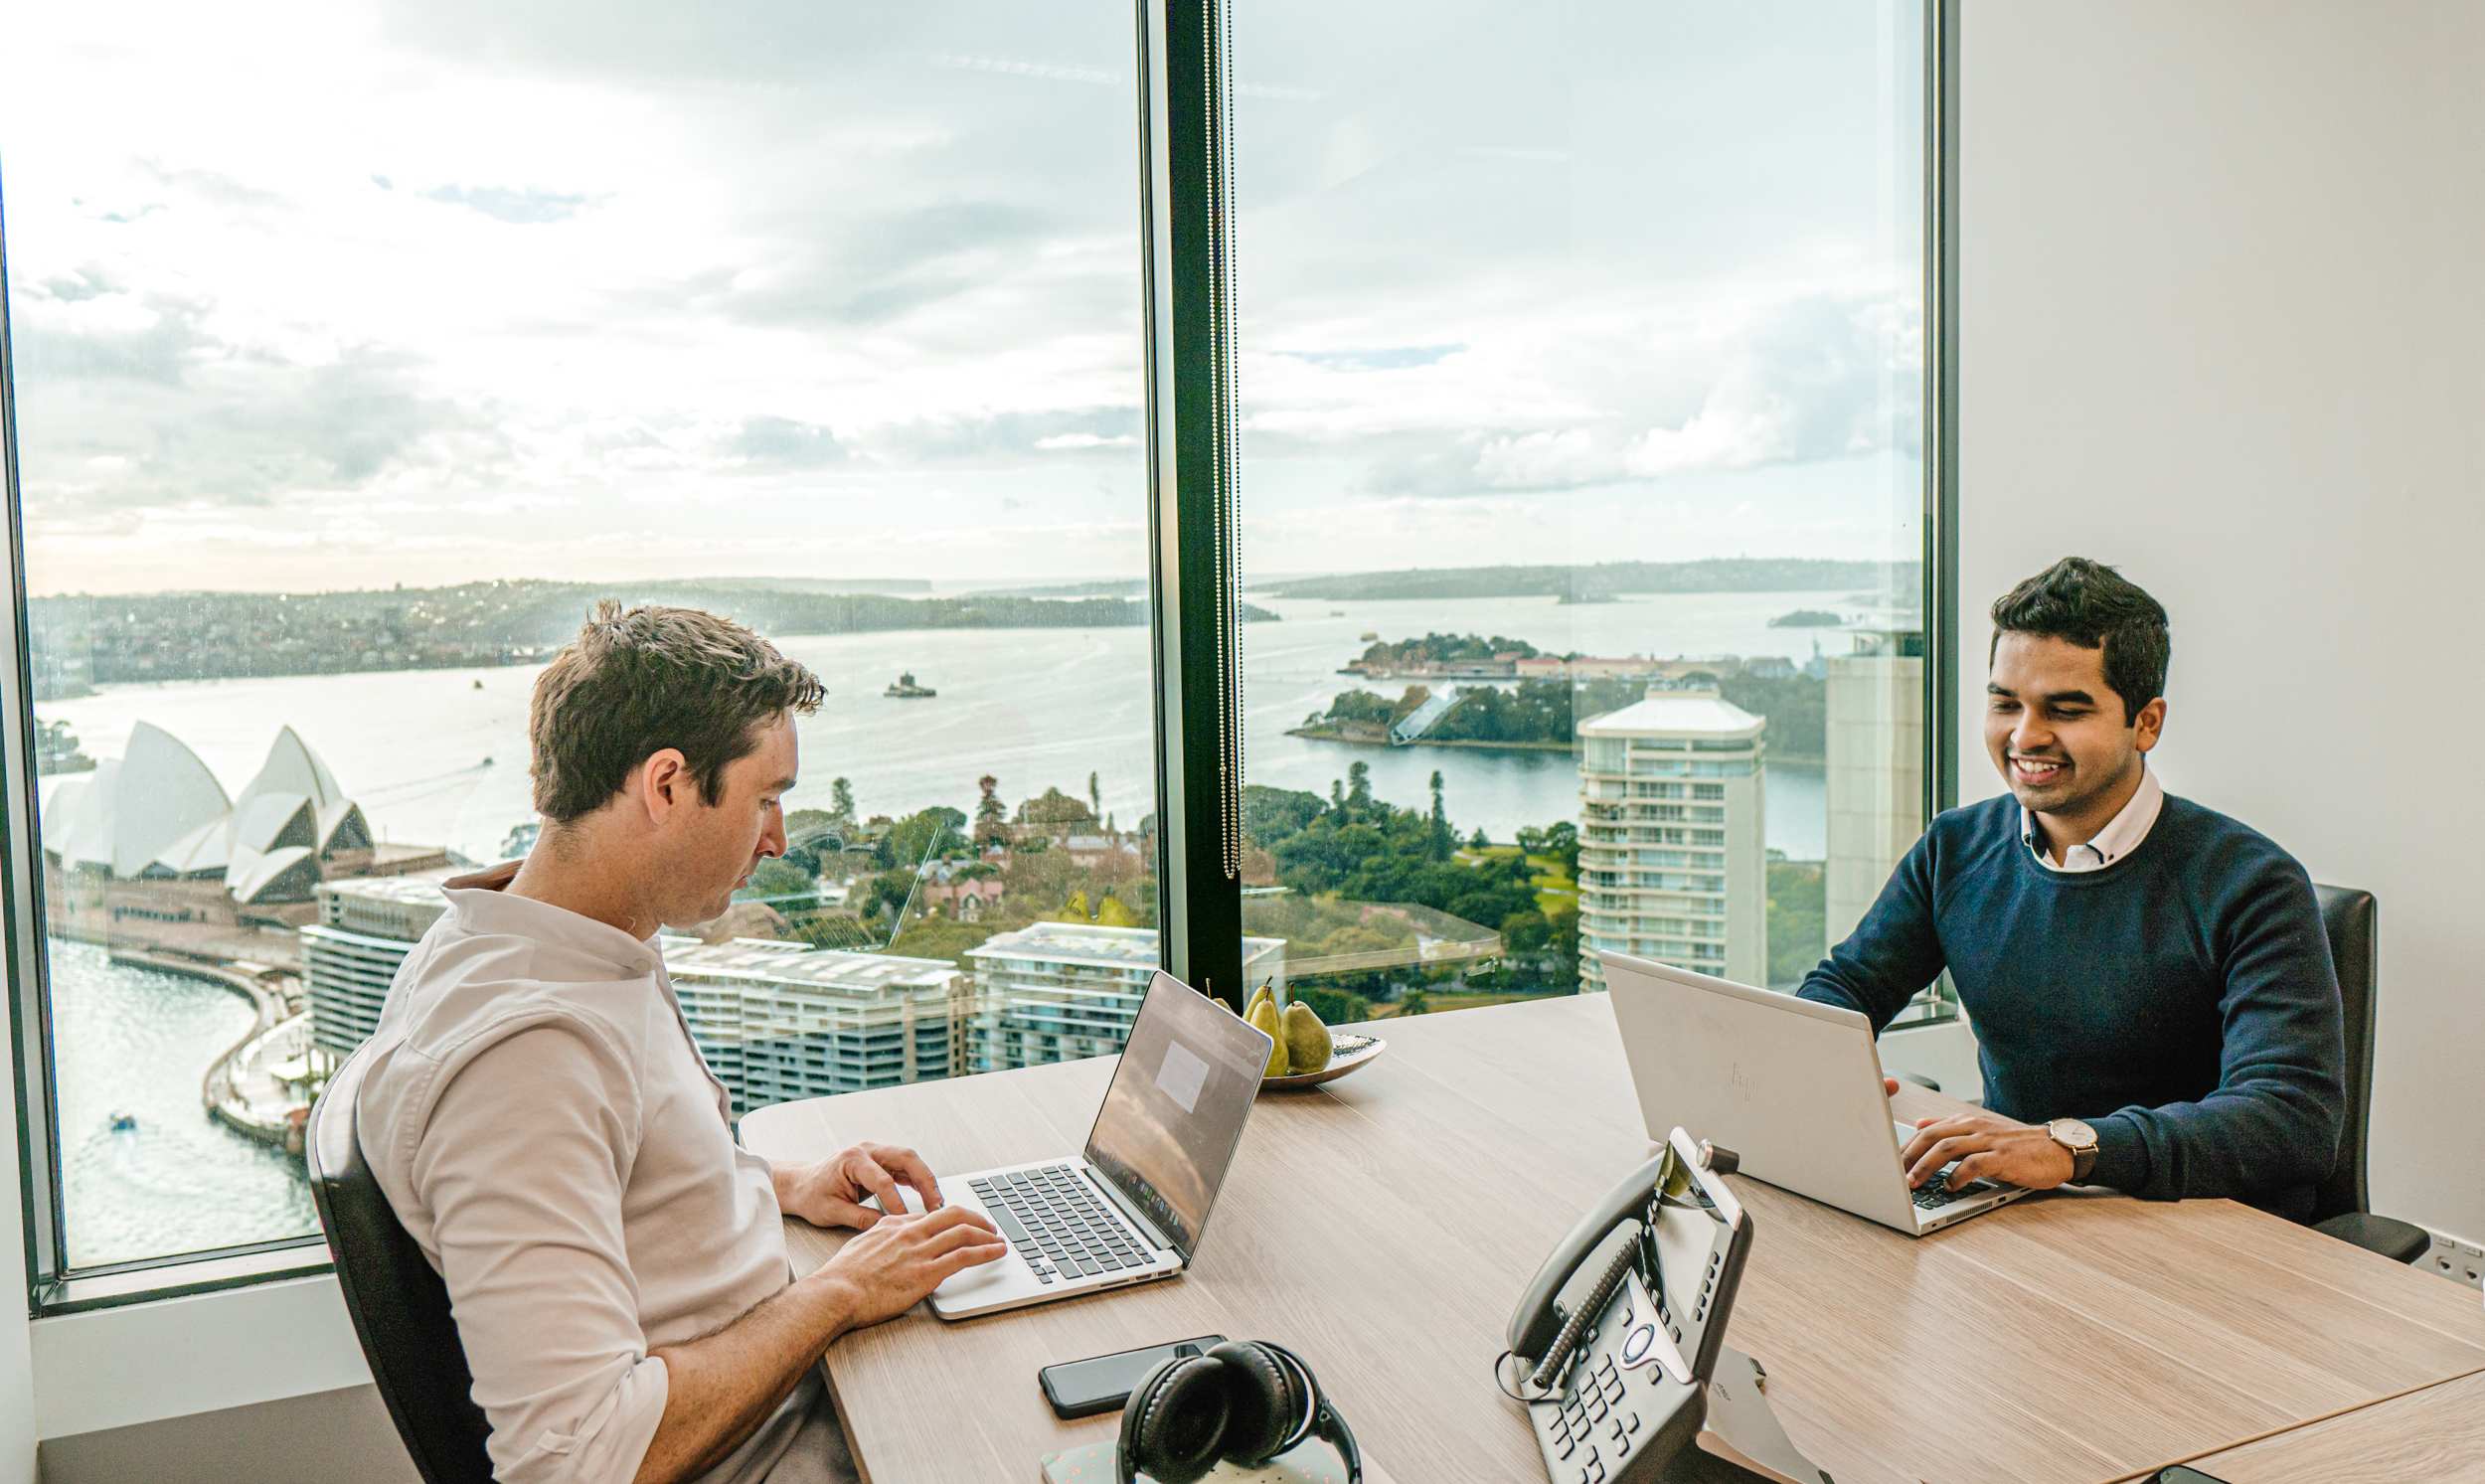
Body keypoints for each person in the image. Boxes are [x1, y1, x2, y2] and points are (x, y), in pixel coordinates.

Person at [356, 603, 1007, 1484]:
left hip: (804, 1394)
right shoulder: (522, 1060)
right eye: (765, 798)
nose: (776, 839)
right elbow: (575, 1461)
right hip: (785, 1451)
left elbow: (618, 1180)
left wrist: (782, 1186)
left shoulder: (564, 938)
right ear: (666, 785)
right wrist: (841, 1291)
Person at [1799, 558, 2345, 1220]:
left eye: (2066, 708)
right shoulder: (1956, 848)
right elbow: (1848, 984)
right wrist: (1819, 1064)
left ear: (2146, 722)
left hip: (2204, 1228)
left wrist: (2067, 1147)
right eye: (2005, 703)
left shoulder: (2252, 883)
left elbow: (2290, 1120)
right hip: (2017, 1210)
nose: (2025, 736)